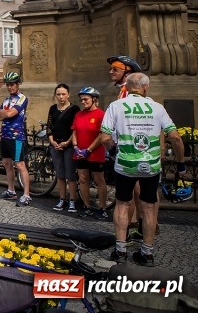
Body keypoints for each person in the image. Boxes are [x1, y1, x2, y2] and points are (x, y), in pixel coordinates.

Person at [98, 73, 186, 266]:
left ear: (127, 88)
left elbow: (104, 138)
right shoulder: (157, 107)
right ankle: (147, 253)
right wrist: (181, 163)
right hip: (151, 166)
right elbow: (176, 138)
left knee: (122, 203)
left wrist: (114, 151)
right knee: (147, 207)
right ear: (146, 87)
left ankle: (120, 251)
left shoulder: (116, 106)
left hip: (125, 164)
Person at [107, 55, 146, 239]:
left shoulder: (127, 93)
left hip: (127, 147)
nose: (111, 72)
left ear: (127, 72)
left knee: (129, 192)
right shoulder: (122, 91)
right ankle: (142, 224)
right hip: (128, 146)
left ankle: (129, 230)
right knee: (137, 189)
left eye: (116, 69)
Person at [0, 72, 32, 207]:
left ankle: (26, 195)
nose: (10, 87)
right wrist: (4, 114)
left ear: (17, 84)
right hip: (5, 135)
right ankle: (11, 191)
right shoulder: (6, 100)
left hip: (17, 137)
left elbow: (10, 113)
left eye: (12, 85)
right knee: (7, 164)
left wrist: (5, 114)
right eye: (8, 85)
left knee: (20, 165)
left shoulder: (22, 98)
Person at [70, 87, 107, 219]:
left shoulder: (101, 115)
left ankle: (103, 208)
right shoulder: (79, 115)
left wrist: (89, 150)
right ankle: (87, 206)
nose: (83, 102)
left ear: (94, 99)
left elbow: (101, 135)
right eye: (81, 100)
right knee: (83, 179)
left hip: (95, 153)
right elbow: (74, 132)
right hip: (79, 152)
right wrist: (75, 146)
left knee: (99, 180)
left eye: (86, 99)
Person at [47, 84, 80, 212]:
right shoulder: (52, 108)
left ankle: (72, 200)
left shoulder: (74, 109)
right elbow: (49, 126)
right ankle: (62, 199)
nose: (61, 97)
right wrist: (52, 141)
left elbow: (75, 128)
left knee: (70, 174)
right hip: (55, 145)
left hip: (69, 145)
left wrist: (67, 142)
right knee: (60, 174)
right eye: (58, 94)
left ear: (68, 94)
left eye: (63, 94)